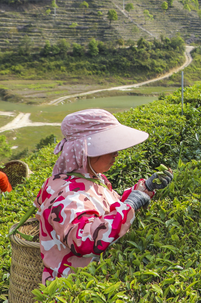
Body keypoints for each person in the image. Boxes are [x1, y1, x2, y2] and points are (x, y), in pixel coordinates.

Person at [36, 108, 173, 283]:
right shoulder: (66, 196)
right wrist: (130, 205)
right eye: (109, 147)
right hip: (72, 290)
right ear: (85, 152)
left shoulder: (93, 179)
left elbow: (106, 211)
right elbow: (86, 241)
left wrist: (144, 189)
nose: (116, 153)